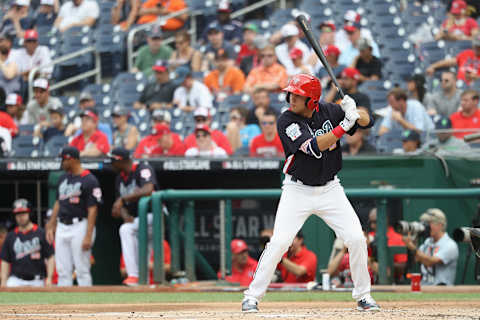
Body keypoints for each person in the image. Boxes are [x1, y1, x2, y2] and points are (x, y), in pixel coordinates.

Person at [241, 74, 379, 312]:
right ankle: (252, 297)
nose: (291, 98)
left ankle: (364, 296)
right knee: (280, 242)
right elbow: (315, 146)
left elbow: (368, 121)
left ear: (312, 100)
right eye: (291, 94)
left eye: (298, 95)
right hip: (297, 189)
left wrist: (355, 111)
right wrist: (345, 125)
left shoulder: (329, 110)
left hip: (330, 188)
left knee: (356, 238)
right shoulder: (286, 120)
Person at [45, 146, 102, 286]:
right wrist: (52, 223)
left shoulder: (89, 179)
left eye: (64, 160)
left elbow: (93, 209)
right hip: (62, 225)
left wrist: (88, 235)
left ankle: (86, 305)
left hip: (80, 225)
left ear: (72, 159)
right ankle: (64, 306)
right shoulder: (63, 178)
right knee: (63, 270)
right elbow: (59, 202)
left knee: (82, 269)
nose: (62, 163)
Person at [110, 147, 160, 286]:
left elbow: (148, 189)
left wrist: (123, 199)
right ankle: (142, 281)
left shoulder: (143, 168)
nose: (111, 164)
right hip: (138, 220)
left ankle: (133, 275)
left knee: (125, 230)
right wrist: (124, 214)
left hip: (154, 215)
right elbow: (121, 204)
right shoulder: (119, 178)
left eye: (113, 161)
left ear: (121, 161)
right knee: (139, 246)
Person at [0, 199, 54, 287]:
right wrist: (3, 281)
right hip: (16, 280)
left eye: (23, 213)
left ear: (29, 213)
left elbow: (50, 257)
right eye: (18, 214)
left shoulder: (41, 233)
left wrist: (49, 278)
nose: (21, 217)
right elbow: (5, 261)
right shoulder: (10, 236)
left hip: (37, 280)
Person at [402, 208, 459, 285]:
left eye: (429, 223)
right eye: (425, 223)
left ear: (441, 225)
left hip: (442, 290)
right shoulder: (427, 242)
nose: (426, 226)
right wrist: (413, 241)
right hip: (424, 287)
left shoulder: (450, 245)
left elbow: (429, 262)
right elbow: (416, 259)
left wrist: (411, 246)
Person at [0, 29, 21, 94]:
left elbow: (9, 75)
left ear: (10, 42)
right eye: (0, 41)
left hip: (11, 92)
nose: (3, 44)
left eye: (5, 41)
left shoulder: (15, 54)